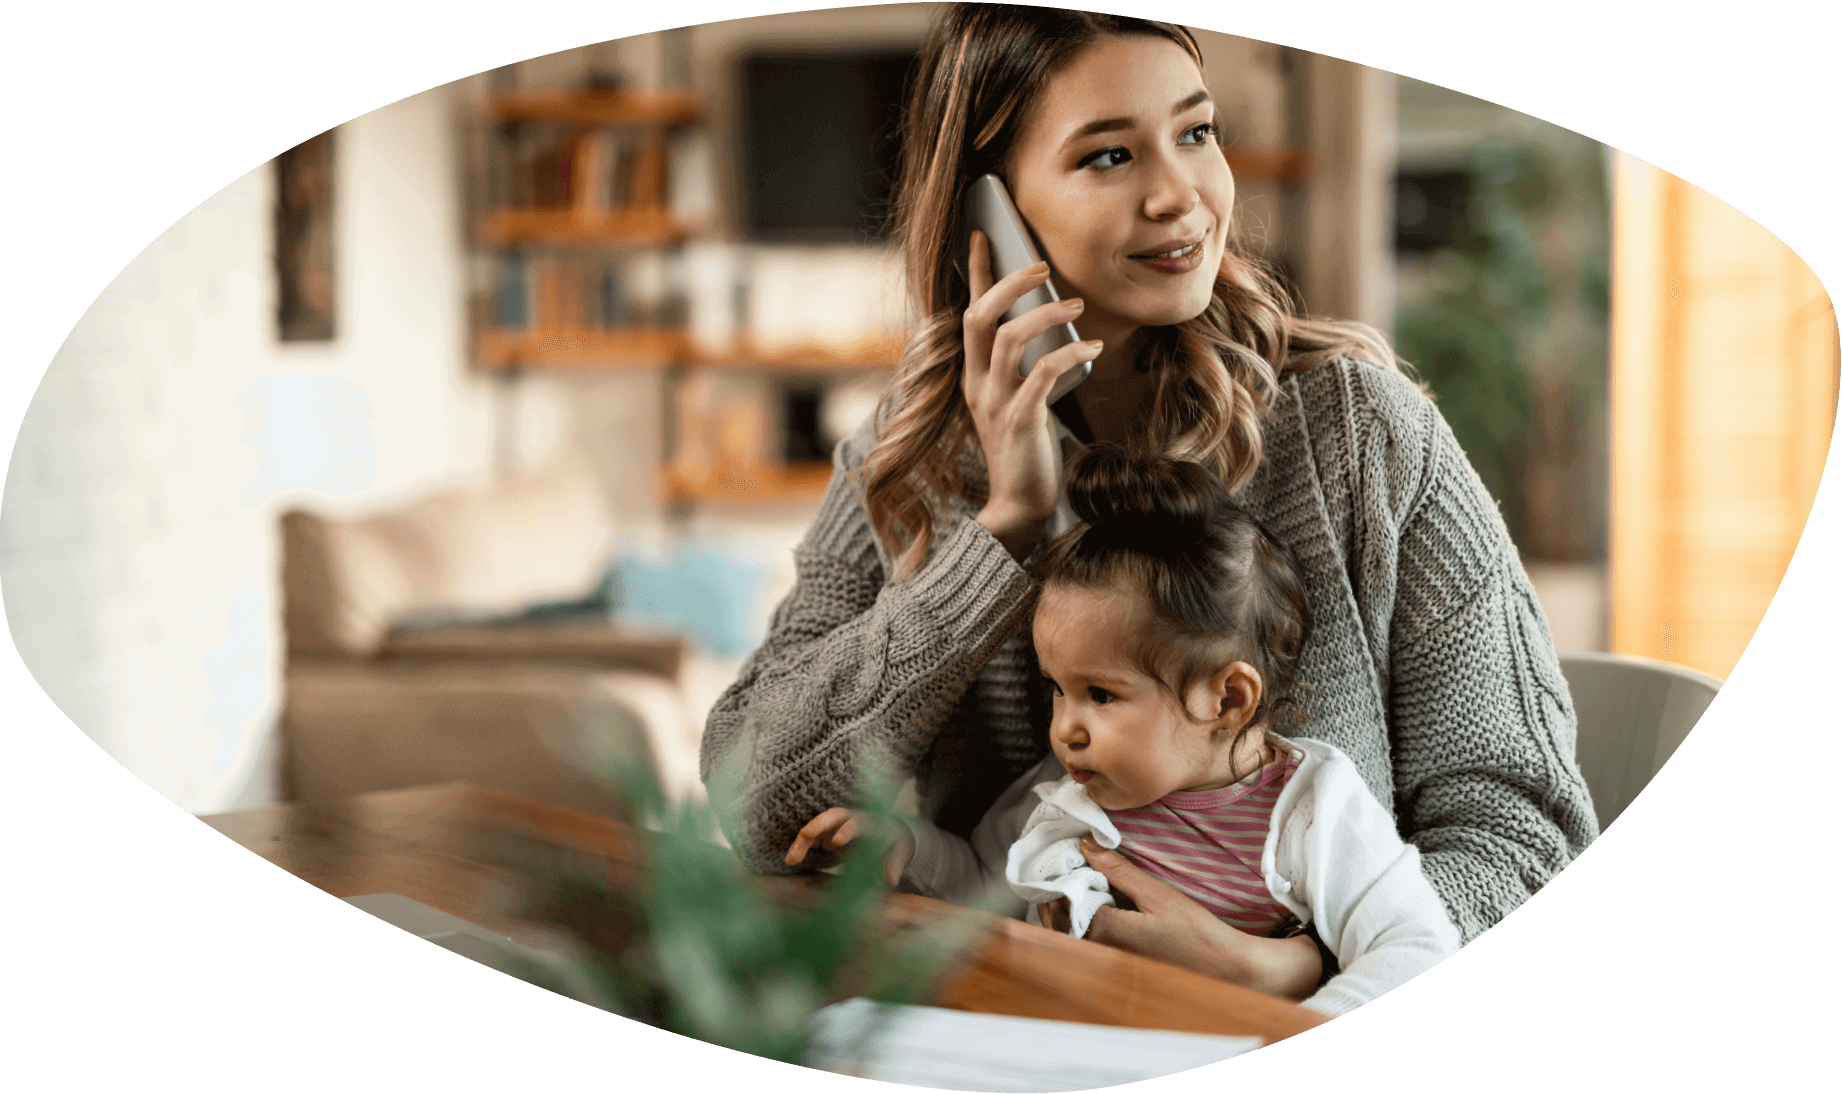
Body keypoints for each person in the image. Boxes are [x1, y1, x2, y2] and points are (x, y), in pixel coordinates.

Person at [704, 3, 1598, 984]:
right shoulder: (905, 464)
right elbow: (756, 806)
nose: (1182, 196)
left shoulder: (1363, 433)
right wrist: (1000, 535)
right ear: (987, 214)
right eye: (1107, 157)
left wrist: (1291, 967)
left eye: (1196, 132)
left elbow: (1526, 831)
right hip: (1006, 1027)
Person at [790, 443, 1462, 1014]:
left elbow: (1415, 947)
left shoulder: (1313, 810)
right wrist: (906, 846)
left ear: (1227, 699)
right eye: (1057, 690)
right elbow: (983, 887)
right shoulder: (1068, 791)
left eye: (1101, 695)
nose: (1065, 729)